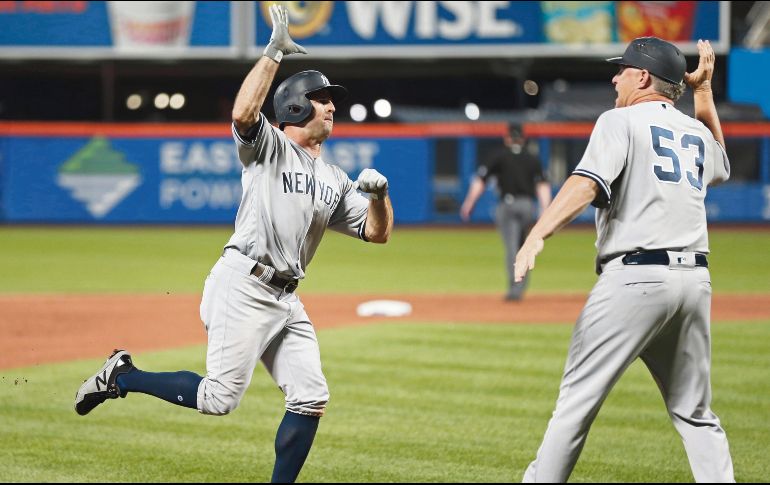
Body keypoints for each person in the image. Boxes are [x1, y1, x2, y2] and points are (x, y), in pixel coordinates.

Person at [74, 5, 394, 483]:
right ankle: (122, 376)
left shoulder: (334, 177)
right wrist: (271, 54)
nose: (331, 105)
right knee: (218, 400)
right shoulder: (269, 148)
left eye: (332, 99)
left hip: (287, 299)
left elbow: (377, 233)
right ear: (295, 106)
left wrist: (380, 199)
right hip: (243, 285)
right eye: (322, 97)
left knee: (310, 396)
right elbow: (244, 113)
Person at [514, 38, 734, 482]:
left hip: (635, 280)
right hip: (694, 283)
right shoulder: (693, 131)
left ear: (643, 76)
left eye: (623, 69)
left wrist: (538, 232)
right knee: (695, 413)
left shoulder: (619, 120)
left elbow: (586, 183)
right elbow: (721, 165)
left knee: (575, 404)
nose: (615, 78)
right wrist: (704, 93)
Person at [460, 124, 552, 301]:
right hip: (527, 206)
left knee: (512, 248)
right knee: (522, 246)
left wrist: (469, 203)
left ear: (507, 138)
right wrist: (545, 210)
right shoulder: (532, 158)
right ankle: (521, 286)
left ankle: (515, 289)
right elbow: (543, 186)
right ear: (523, 139)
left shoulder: (499, 156)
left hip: (508, 206)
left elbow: (480, 181)